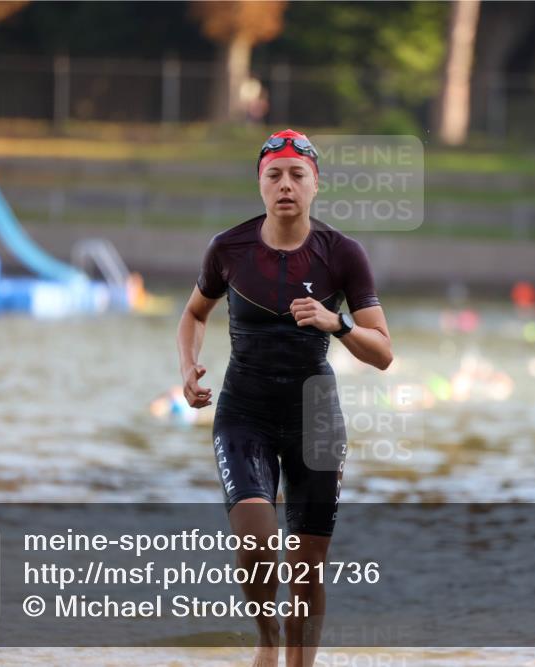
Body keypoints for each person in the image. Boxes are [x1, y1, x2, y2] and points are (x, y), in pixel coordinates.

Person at [176, 129, 392, 667]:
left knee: (307, 565)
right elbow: (194, 314)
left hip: (314, 418)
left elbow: (384, 352)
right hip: (243, 412)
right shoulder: (229, 248)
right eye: (274, 175)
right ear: (260, 185)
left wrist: (335, 322)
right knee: (257, 544)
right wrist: (188, 366)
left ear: (316, 184)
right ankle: (267, 645)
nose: (286, 185)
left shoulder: (342, 255)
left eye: (298, 174)